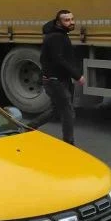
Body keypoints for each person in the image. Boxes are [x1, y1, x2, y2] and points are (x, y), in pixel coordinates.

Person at [29, 10, 85, 145]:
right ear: (58, 22)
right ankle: (69, 143)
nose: (71, 22)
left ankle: (29, 127)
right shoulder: (55, 37)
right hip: (55, 81)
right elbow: (59, 59)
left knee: (57, 110)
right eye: (67, 20)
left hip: (59, 80)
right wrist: (77, 76)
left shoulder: (61, 35)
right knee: (68, 111)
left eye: (72, 19)